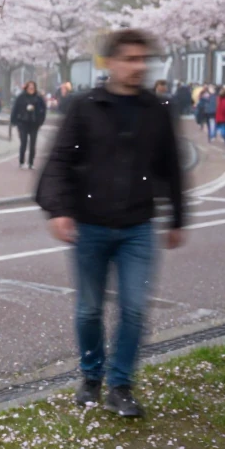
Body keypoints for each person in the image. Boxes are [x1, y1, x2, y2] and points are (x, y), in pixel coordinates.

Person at [36, 29, 186, 419]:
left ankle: (120, 385)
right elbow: (59, 162)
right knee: (88, 309)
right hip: (91, 225)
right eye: (130, 59)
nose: (138, 67)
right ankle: (91, 376)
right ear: (111, 63)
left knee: (134, 308)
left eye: (143, 60)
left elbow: (171, 167)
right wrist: (59, 210)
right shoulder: (86, 107)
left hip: (138, 226)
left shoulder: (157, 109)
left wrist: (178, 217)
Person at [11, 80, 47, 170]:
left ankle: (31, 162)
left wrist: (40, 121)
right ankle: (21, 161)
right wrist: (14, 121)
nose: (31, 89)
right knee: (23, 142)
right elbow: (15, 109)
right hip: (23, 123)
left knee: (33, 143)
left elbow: (43, 110)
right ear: (26, 88)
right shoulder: (21, 97)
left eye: (33, 88)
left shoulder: (38, 98)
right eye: (30, 87)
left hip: (34, 123)